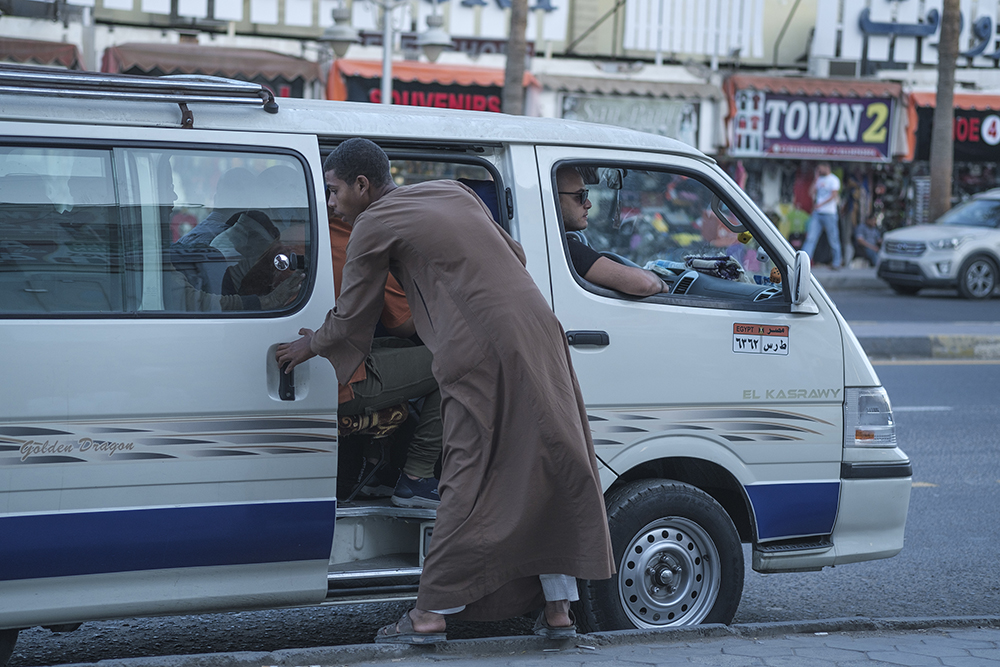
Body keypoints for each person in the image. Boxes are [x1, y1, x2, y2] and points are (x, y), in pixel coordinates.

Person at [276, 138, 613, 644]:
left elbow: (351, 315)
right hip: (540, 330)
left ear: (362, 186)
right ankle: (559, 610)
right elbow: (514, 252)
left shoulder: (371, 222)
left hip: (478, 348)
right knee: (548, 459)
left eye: (333, 191)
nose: (330, 203)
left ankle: (430, 615)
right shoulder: (452, 191)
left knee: (466, 476)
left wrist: (309, 348)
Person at [327, 207, 443, 508]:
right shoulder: (355, 240)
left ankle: (375, 468)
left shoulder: (308, 232)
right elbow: (404, 324)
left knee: (398, 350)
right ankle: (416, 478)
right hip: (339, 379)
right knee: (458, 362)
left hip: (320, 365)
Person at [556, 167, 669, 296]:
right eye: (580, 196)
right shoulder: (566, 249)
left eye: (586, 194)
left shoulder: (557, 244)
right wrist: (661, 283)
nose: (588, 204)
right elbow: (645, 283)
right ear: (554, 197)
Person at [801, 161, 842, 269]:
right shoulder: (819, 179)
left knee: (833, 238)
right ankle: (804, 263)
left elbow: (834, 195)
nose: (819, 170)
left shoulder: (834, 180)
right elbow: (811, 192)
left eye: (820, 168)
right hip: (818, 213)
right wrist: (816, 178)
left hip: (829, 213)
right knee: (811, 237)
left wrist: (821, 204)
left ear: (826, 167)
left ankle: (837, 262)